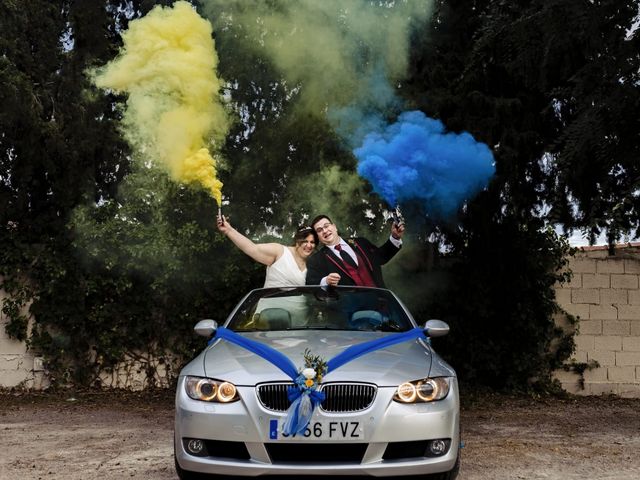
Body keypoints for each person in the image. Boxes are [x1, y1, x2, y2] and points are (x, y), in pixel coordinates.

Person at [305, 214, 405, 288]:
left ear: (334, 227)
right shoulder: (316, 260)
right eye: (319, 230)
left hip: (382, 303)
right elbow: (310, 284)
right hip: (349, 312)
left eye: (326, 226)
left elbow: (381, 257)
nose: (325, 231)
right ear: (317, 236)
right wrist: (326, 281)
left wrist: (395, 237)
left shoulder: (361, 242)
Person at [216, 215, 317, 287]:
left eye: (312, 242)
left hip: (299, 316)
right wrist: (229, 231)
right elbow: (251, 248)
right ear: (297, 241)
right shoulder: (280, 252)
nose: (309, 245)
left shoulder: (312, 264)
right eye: (304, 241)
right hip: (271, 314)